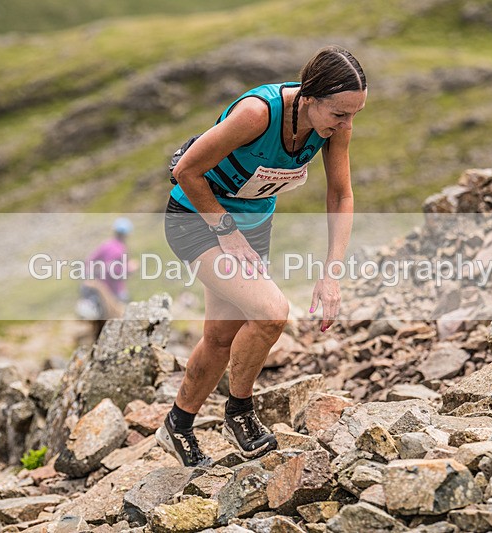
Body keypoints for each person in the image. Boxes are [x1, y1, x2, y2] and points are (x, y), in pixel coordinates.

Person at [155, 46, 367, 467]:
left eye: (354, 113)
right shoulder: (258, 114)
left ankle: (176, 424)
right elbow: (186, 172)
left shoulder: (335, 127)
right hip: (198, 220)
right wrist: (225, 231)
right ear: (308, 97)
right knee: (271, 314)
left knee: (220, 337)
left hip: (250, 229)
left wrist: (331, 273)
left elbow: (341, 194)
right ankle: (239, 412)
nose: (347, 124)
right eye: (340, 114)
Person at [77, 217, 135, 338]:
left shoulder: (106, 245)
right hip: (112, 291)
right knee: (121, 315)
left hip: (101, 288)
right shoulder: (120, 249)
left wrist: (91, 276)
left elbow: (89, 260)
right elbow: (113, 270)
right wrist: (129, 268)